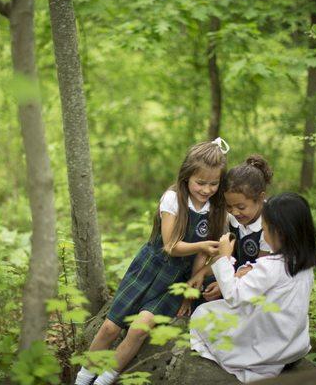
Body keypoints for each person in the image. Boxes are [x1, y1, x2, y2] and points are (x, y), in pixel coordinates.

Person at [74, 139, 229, 385]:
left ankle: (105, 379)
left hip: (177, 279)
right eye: (200, 182)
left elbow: (201, 256)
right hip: (150, 267)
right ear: (186, 176)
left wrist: (191, 288)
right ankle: (83, 378)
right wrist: (201, 245)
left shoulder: (215, 209)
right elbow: (170, 245)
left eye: (214, 183)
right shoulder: (173, 198)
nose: (206, 189)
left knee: (138, 329)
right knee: (110, 328)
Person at [190, 192, 316, 383]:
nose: (264, 234)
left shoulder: (272, 266)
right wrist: (243, 271)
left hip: (268, 346)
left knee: (202, 314)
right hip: (292, 342)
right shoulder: (303, 265)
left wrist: (225, 257)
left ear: (280, 233)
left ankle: (251, 360)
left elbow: (234, 295)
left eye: (265, 230)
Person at [178, 155, 273, 315]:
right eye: (229, 206)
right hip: (232, 276)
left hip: (256, 285)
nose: (235, 212)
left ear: (260, 198)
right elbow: (224, 255)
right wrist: (201, 274)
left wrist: (225, 283)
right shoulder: (232, 220)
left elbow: (261, 271)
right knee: (202, 289)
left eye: (241, 207)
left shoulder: (270, 227)